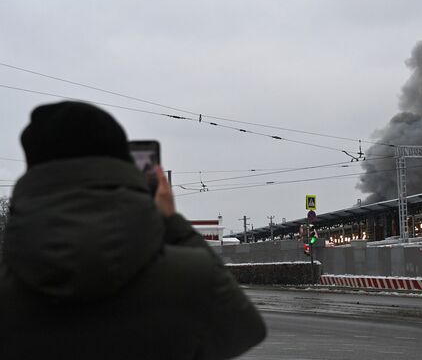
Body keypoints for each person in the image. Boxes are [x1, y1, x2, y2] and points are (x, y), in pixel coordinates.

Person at [0, 101, 266, 359]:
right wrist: (171, 219)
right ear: (123, 163)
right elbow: (246, 329)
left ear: (35, 168)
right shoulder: (190, 275)